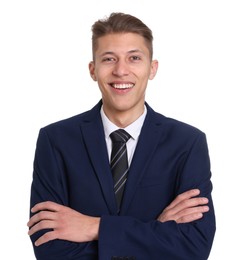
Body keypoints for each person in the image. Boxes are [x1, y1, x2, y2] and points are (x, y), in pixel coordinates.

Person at [27, 12, 216, 260]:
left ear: (152, 68)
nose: (121, 71)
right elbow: (48, 247)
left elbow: (194, 247)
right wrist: (156, 229)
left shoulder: (188, 143)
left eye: (134, 58)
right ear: (93, 70)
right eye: (109, 59)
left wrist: (94, 227)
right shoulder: (55, 141)